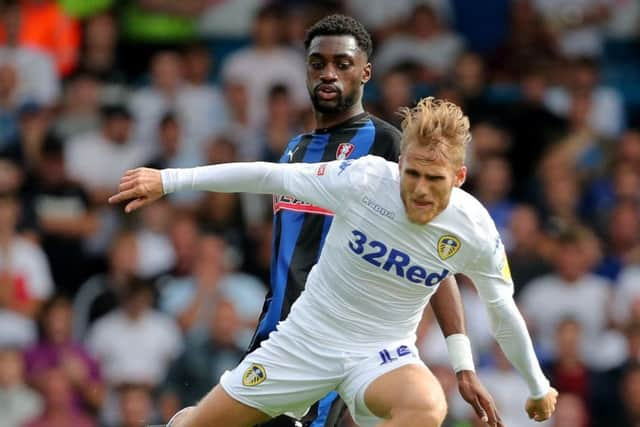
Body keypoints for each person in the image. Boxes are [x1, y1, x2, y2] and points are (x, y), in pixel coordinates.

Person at [108, 96, 558, 427]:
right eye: (412, 173)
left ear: (459, 177)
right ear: (399, 161)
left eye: (434, 179)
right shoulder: (363, 180)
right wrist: (168, 179)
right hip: (305, 342)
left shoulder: (475, 229)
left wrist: (538, 387)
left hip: (381, 354)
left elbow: (504, 313)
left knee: (426, 406)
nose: (420, 189)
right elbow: (269, 175)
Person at [241, 14, 494, 427]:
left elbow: (432, 259)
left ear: (365, 72)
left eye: (342, 64)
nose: (328, 74)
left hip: (330, 345)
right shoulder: (293, 149)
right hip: (274, 337)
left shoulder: (386, 148)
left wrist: (462, 362)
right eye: (317, 63)